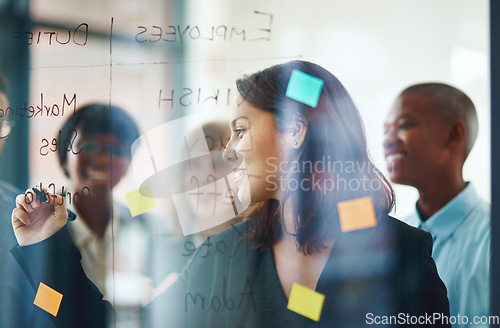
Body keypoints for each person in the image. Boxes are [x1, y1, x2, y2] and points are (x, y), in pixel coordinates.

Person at [11, 61, 450, 327]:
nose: (231, 151)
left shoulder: (399, 251)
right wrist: (44, 249)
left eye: (241, 130)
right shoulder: (226, 255)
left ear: (295, 130)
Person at [383, 83, 490, 326]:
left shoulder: (490, 237)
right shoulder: (396, 236)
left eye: (404, 125)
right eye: (385, 131)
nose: (388, 141)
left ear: (454, 135)